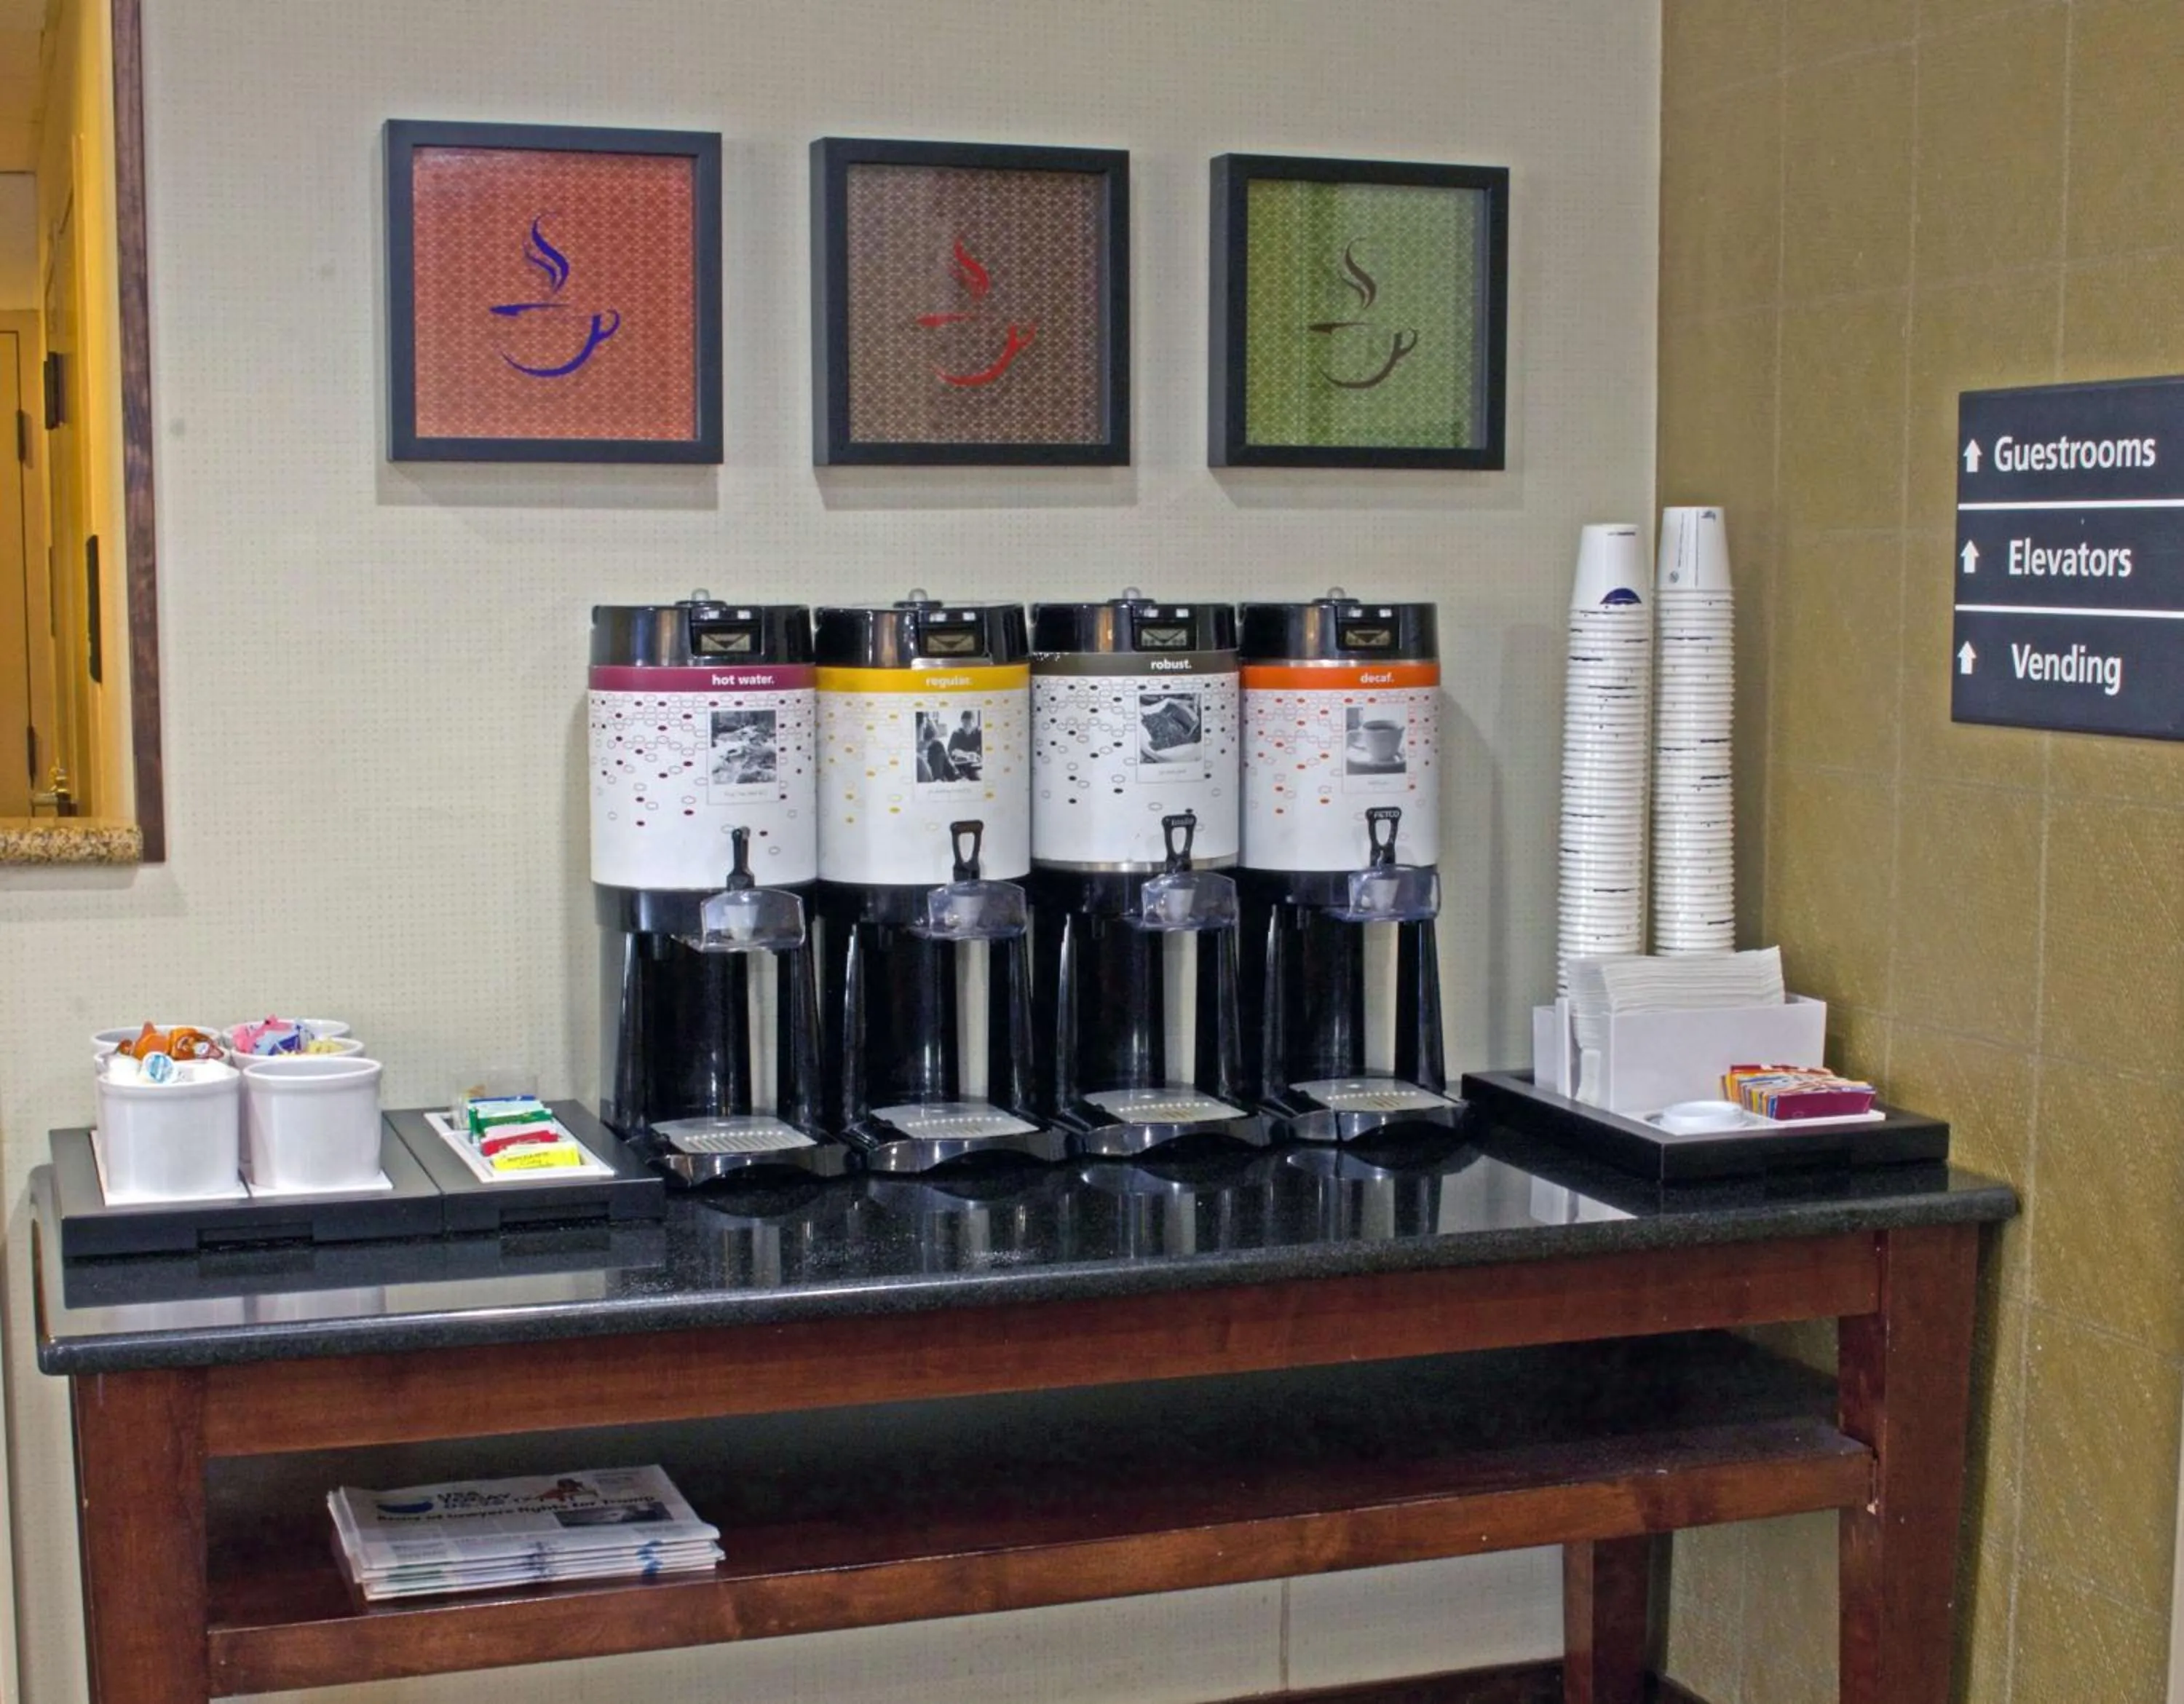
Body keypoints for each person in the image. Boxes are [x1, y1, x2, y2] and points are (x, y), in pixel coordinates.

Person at [946, 710, 982, 778]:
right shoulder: (956, 734)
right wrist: (956, 753)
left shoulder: (979, 733)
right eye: (964, 723)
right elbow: (950, 750)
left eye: (969, 722)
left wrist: (977, 755)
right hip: (960, 766)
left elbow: (985, 751)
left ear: (974, 722)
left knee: (976, 776)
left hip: (976, 766)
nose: (966, 726)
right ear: (962, 722)